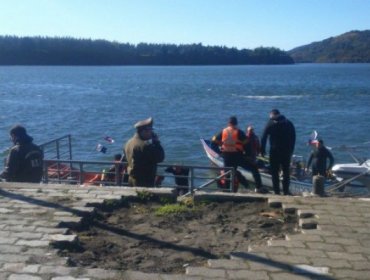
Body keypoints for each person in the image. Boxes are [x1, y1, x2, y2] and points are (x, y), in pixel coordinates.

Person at [212, 116, 265, 193]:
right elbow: (247, 145)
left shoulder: (223, 131)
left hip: (227, 156)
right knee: (254, 169)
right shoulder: (239, 132)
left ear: (228, 123)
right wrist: (247, 155)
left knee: (228, 173)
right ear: (236, 123)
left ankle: (226, 191)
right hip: (237, 156)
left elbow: (213, 142)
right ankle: (259, 187)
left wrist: (219, 153)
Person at [261, 109, 296, 195]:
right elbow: (293, 137)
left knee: (274, 172)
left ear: (272, 115)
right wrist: (291, 150)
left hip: (275, 151)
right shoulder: (289, 123)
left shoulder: (271, 122)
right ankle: (286, 191)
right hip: (286, 152)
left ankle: (276, 192)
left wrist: (262, 150)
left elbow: (263, 137)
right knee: (286, 172)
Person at [124, 117, 165, 187]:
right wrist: (156, 142)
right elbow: (160, 157)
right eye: (150, 130)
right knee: (143, 197)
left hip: (131, 179)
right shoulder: (144, 145)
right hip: (144, 181)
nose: (151, 133)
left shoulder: (128, 143)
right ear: (144, 131)